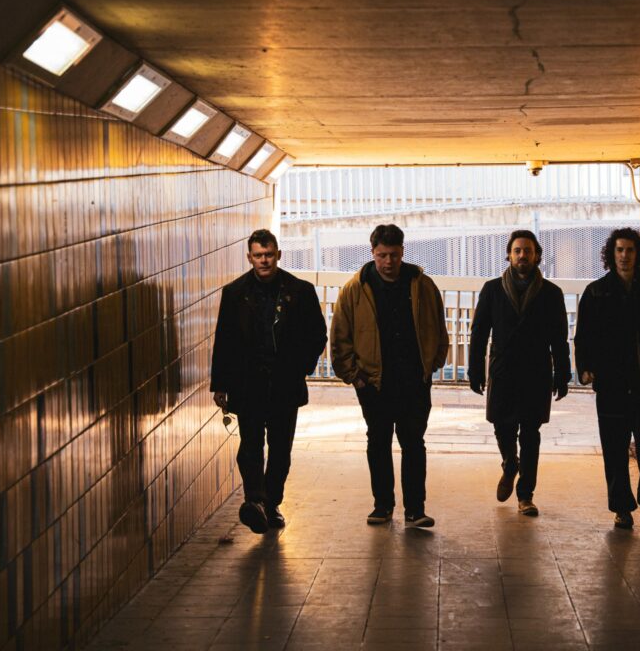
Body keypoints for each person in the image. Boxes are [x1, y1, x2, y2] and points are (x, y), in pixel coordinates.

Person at [331, 224, 449, 528]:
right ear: (372, 253)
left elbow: (439, 327)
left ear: (402, 252)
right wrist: (354, 377)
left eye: (393, 255)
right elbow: (340, 337)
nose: (388, 261)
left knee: (413, 443)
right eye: (382, 255)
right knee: (379, 442)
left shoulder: (423, 285)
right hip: (374, 383)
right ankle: (382, 506)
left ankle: (415, 510)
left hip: (413, 381)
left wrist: (432, 364)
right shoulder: (354, 289)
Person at [210, 229, 328, 533]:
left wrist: (300, 367)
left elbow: (317, 334)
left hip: (284, 385)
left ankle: (271, 502)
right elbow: (223, 340)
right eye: (259, 255)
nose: (264, 260)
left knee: (279, 450)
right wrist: (220, 383)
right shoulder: (234, 293)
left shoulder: (299, 291)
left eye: (269, 254)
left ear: (278, 255)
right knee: (250, 446)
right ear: (249, 257)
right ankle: (256, 501)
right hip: (248, 384)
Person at [574, 227, 640, 532]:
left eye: (630, 250)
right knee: (614, 446)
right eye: (619, 250)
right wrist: (585, 368)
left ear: (638, 254)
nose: (624, 256)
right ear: (611, 254)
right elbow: (583, 337)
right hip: (611, 384)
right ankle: (622, 508)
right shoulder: (596, 292)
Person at [468, 230, 570, 517]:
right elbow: (479, 333)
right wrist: (475, 369)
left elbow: (559, 338)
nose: (522, 255)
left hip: (536, 371)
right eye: (517, 251)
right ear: (509, 255)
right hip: (503, 370)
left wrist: (562, 374)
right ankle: (509, 463)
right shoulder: (492, 290)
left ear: (537, 255)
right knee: (502, 426)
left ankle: (526, 495)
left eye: (527, 251)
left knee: (531, 433)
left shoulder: (551, 293)